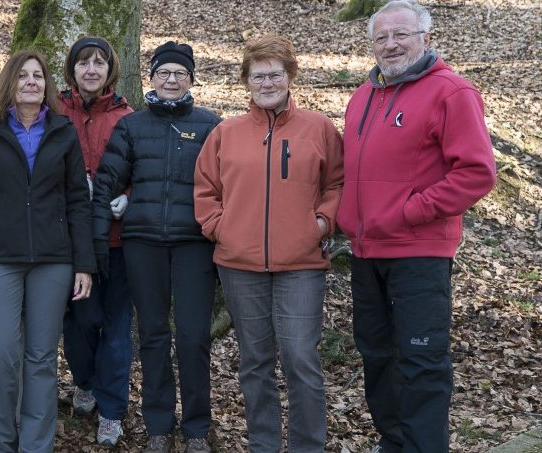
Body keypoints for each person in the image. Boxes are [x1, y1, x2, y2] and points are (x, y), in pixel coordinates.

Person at [339, 2, 497, 451]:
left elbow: (476, 172)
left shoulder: (451, 92)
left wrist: (410, 211)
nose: (390, 44)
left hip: (418, 253)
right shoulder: (363, 96)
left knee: (421, 360)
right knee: (376, 356)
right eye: (381, 37)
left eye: (401, 35)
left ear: (426, 37)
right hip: (366, 252)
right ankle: (394, 441)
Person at [193, 35, 343, 452]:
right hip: (239, 265)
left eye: (275, 74)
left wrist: (320, 222)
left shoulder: (319, 128)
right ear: (247, 81)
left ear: (290, 76)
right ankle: (263, 444)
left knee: (300, 360)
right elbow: (205, 190)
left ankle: (307, 446)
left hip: (302, 264)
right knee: (255, 363)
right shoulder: (227, 132)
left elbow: (337, 184)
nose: (267, 83)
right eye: (258, 76)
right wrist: (221, 227)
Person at [0, 50, 95, 453]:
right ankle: (1, 443)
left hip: (54, 260)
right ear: (10, 85)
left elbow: (77, 202)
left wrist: (84, 264)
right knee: (2, 354)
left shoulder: (63, 132)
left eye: (38, 76)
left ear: (47, 85)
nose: (31, 82)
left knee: (40, 359)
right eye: (23, 76)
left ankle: (37, 445)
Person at [93, 41, 221, 453]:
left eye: (179, 73)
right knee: (151, 335)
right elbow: (109, 181)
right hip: (142, 243)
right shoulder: (132, 125)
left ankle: (198, 427)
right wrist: (99, 232)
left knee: (193, 336)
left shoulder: (211, 125)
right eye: (163, 72)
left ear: (191, 79)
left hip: (194, 245)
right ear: (151, 78)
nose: (171, 79)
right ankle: (159, 426)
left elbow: (229, 186)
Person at [56, 36, 134, 447]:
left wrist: (130, 198)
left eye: (99, 63)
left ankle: (112, 408)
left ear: (109, 70)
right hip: (70, 240)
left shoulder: (127, 116)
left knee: (118, 327)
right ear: (73, 71)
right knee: (83, 321)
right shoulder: (56, 111)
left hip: (119, 240)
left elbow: (147, 166)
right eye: (83, 63)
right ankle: (84, 381)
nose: (91, 69)